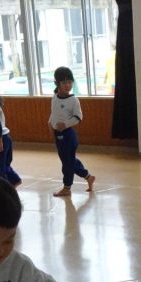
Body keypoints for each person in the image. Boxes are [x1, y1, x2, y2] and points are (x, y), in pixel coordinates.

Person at [48, 66, 95, 197]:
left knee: (67, 164)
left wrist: (65, 124)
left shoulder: (73, 100)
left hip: (68, 135)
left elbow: (78, 117)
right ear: (57, 83)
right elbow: (54, 113)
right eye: (64, 82)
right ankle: (88, 177)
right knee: (69, 160)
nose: (67, 85)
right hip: (58, 135)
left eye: (70, 82)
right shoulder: (54, 97)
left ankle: (67, 188)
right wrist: (50, 124)